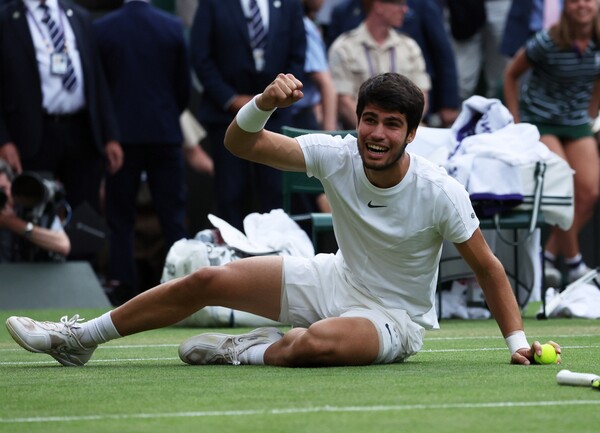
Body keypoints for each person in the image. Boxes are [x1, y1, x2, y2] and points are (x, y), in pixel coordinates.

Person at [5, 72, 557, 368]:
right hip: (334, 277)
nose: (378, 134)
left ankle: (245, 349)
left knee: (313, 345)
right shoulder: (340, 153)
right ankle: (79, 339)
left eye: (392, 124)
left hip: (394, 319)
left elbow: (488, 268)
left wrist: (515, 341)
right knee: (204, 281)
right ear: (358, 121)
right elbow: (239, 143)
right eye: (370, 120)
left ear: (411, 133)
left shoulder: (441, 191)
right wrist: (264, 102)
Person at [92, 0, 191, 305]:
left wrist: (110, 133)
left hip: (120, 139)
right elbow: (183, 89)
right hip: (164, 134)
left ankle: (123, 288)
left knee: (120, 219)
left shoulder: (103, 29)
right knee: (173, 216)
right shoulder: (172, 26)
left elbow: (99, 89)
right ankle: (183, 286)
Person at [503, 0, 600, 287]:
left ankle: (547, 257)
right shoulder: (546, 41)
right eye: (575, 0)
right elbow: (511, 75)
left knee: (590, 193)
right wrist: (516, 121)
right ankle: (574, 264)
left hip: (576, 121)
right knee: (565, 185)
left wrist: (592, 113)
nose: (583, 5)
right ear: (565, 6)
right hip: (540, 120)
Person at [189, 0, 305, 230]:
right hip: (226, 116)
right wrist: (232, 100)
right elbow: (201, 57)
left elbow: (297, 54)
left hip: (276, 117)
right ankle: (233, 261)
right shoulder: (212, 4)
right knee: (230, 194)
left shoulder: (290, 4)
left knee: (275, 196)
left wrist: (278, 97)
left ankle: (274, 259)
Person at [0, 0, 123, 215]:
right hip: (33, 135)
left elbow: (96, 79)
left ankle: (82, 250)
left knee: (85, 213)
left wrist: (111, 135)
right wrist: (4, 141)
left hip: (81, 131)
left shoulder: (78, 15)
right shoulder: (7, 19)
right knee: (35, 212)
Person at [327, 0, 458, 127]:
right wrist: (370, 128)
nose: (405, 9)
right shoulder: (344, 47)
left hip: (406, 134)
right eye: (399, 3)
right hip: (359, 134)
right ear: (379, 6)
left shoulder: (409, 46)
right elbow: (343, 100)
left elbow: (422, 96)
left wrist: (400, 129)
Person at [0, 158, 70, 262]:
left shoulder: (30, 204)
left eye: (3, 189)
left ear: (12, 185)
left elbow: (63, 245)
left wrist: (15, 224)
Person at [445, 0, 512, 100]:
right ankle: (460, 112)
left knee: (500, 80)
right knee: (463, 83)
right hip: (464, 7)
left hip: (501, 5)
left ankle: (495, 111)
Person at [291, 0, 337, 132]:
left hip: (304, 114)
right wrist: (330, 136)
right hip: (295, 119)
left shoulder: (307, 24)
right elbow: (326, 84)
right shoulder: (302, 25)